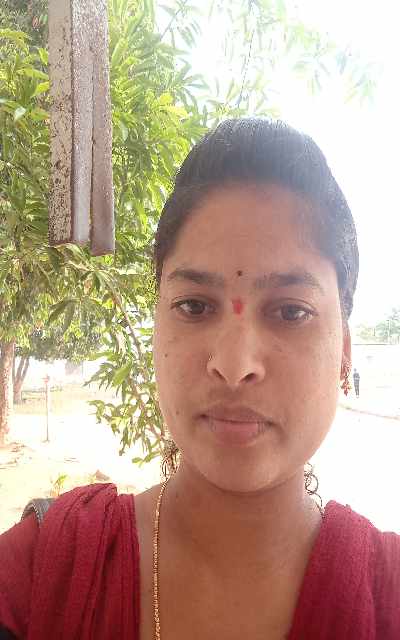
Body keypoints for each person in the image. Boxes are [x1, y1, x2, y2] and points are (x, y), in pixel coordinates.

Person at [0, 118, 399, 639]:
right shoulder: (44, 576)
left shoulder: (388, 598)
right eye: (194, 306)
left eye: (290, 311)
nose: (234, 365)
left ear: (344, 350)